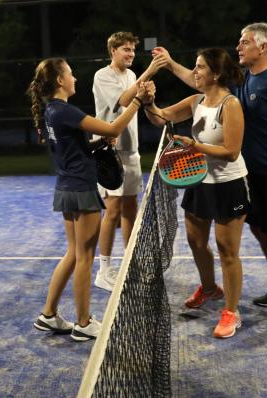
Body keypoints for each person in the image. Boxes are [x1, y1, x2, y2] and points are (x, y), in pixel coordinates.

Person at [153, 21, 267, 330]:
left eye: (244, 42)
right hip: (248, 173)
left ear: (262, 47)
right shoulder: (244, 81)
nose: (238, 46)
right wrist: (170, 63)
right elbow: (202, 82)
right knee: (261, 231)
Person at [27, 57, 151, 341]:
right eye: (70, 74)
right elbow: (113, 129)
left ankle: (49, 315)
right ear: (60, 80)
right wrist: (137, 102)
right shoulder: (65, 110)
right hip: (81, 190)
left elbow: (75, 145)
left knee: (73, 254)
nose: (75, 78)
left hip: (66, 188)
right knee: (84, 258)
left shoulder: (52, 112)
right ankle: (83, 322)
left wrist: (95, 144)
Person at [144, 48, 248, 338]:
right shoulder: (195, 101)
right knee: (195, 241)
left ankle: (231, 312)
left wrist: (196, 147)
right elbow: (161, 117)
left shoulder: (231, 105)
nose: (195, 71)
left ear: (215, 73)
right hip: (200, 182)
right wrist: (148, 102)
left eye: (200, 67)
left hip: (228, 184)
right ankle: (210, 287)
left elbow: (231, 151)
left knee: (227, 250)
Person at [92, 32, 165, 292]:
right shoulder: (102, 75)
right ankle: (104, 270)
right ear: (113, 50)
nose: (131, 53)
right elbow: (124, 101)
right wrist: (150, 72)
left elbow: (137, 99)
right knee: (112, 211)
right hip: (108, 152)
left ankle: (129, 264)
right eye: (126, 49)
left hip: (131, 151)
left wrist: (149, 96)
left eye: (133, 50)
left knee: (130, 210)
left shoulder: (132, 76)